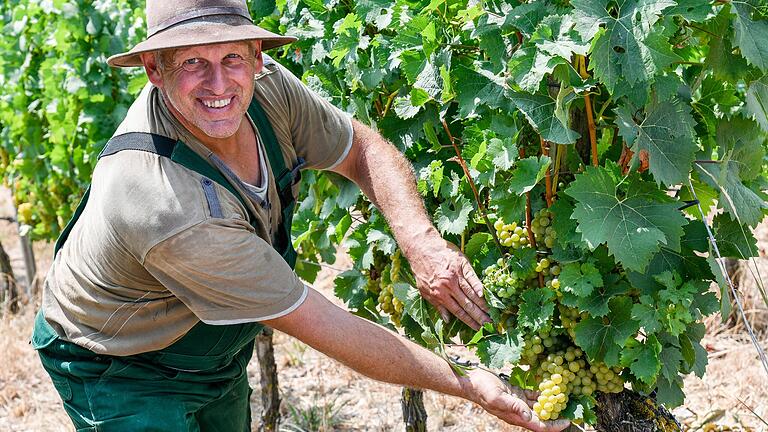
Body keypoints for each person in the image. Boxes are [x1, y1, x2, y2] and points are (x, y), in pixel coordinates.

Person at [31, 1, 570, 431]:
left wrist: (422, 241)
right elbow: (326, 326)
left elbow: (362, 149)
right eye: (192, 63)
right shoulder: (163, 203)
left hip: (211, 351)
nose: (219, 85)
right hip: (117, 364)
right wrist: (469, 383)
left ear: (258, 57)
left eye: (232, 59)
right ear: (153, 69)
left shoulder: (268, 92)